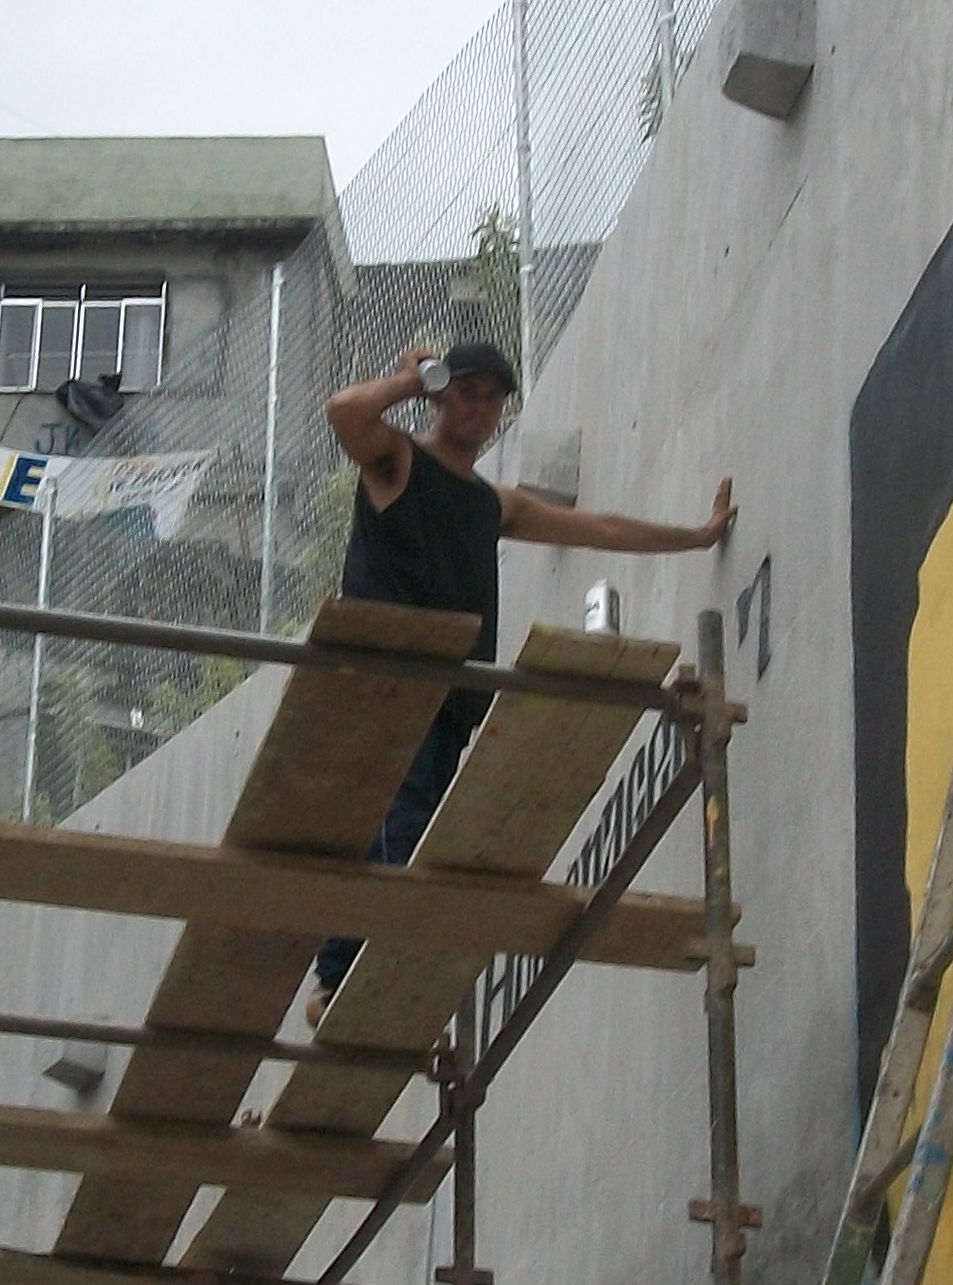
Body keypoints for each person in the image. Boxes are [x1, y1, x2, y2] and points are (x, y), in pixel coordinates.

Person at [313, 339, 734, 1001]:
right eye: (466, 391)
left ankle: (339, 978)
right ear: (443, 394)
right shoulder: (398, 462)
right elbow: (344, 412)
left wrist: (697, 536)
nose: (479, 408)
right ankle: (352, 979)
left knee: (403, 833)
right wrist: (410, 383)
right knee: (399, 826)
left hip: (450, 699)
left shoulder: (491, 504)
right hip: (389, 680)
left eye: (492, 398)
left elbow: (600, 529)